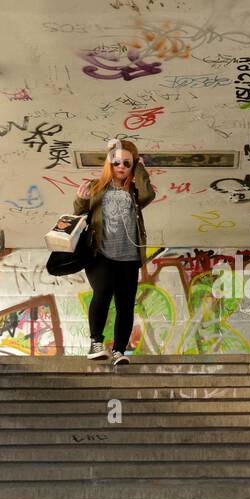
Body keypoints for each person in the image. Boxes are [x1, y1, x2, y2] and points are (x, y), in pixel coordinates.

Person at [73, 138, 156, 365]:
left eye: (127, 163)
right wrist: (80, 201)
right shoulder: (95, 187)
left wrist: (137, 164)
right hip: (100, 253)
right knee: (102, 291)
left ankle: (119, 350)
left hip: (129, 257)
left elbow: (149, 195)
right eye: (117, 162)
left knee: (125, 303)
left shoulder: (135, 191)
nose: (121, 166)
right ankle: (96, 342)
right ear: (109, 162)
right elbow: (80, 216)